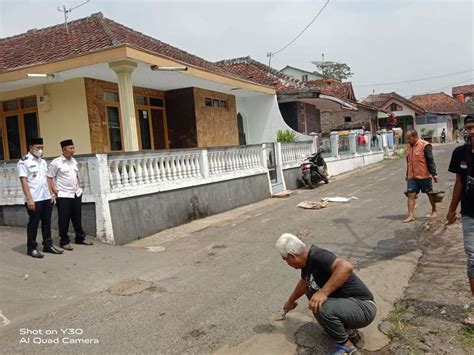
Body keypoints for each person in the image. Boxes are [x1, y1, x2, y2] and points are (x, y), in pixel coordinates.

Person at [276, 233, 376, 355]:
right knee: (311, 291)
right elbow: (304, 283)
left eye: (285, 260)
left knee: (320, 304)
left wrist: (323, 293)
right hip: (351, 306)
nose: (287, 263)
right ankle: (349, 333)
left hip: (364, 308)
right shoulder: (307, 263)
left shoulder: (318, 256)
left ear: (291, 256)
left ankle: (345, 346)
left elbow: (346, 267)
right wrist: (290, 303)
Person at [446, 114, 474, 326]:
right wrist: (452, 209)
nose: (471, 131)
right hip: (469, 214)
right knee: (473, 259)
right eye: (469, 128)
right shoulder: (460, 153)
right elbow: (458, 183)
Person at [17, 137, 64, 258]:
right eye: (38, 148)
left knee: (47, 222)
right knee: (33, 223)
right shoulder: (24, 162)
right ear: (31, 148)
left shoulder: (42, 162)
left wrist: (51, 194)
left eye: (41, 148)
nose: (40, 150)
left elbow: (46, 179)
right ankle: (31, 247)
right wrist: (29, 199)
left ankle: (48, 245)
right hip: (34, 198)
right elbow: (24, 181)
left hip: (45, 197)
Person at [47, 139, 93, 250]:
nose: (73, 150)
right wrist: (54, 191)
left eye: (73, 148)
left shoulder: (74, 161)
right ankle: (64, 241)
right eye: (70, 148)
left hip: (75, 193)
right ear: (64, 150)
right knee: (64, 219)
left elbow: (76, 175)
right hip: (63, 195)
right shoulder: (56, 162)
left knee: (77, 217)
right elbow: (49, 177)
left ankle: (80, 237)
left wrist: (78, 186)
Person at [403, 130, 439, 223]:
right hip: (412, 177)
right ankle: (411, 215)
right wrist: (407, 174)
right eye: (407, 138)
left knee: (429, 194)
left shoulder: (425, 145)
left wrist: (434, 174)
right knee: (411, 195)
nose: (408, 140)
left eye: (409, 138)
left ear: (415, 137)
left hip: (424, 175)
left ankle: (434, 210)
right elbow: (408, 162)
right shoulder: (408, 147)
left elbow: (430, 161)